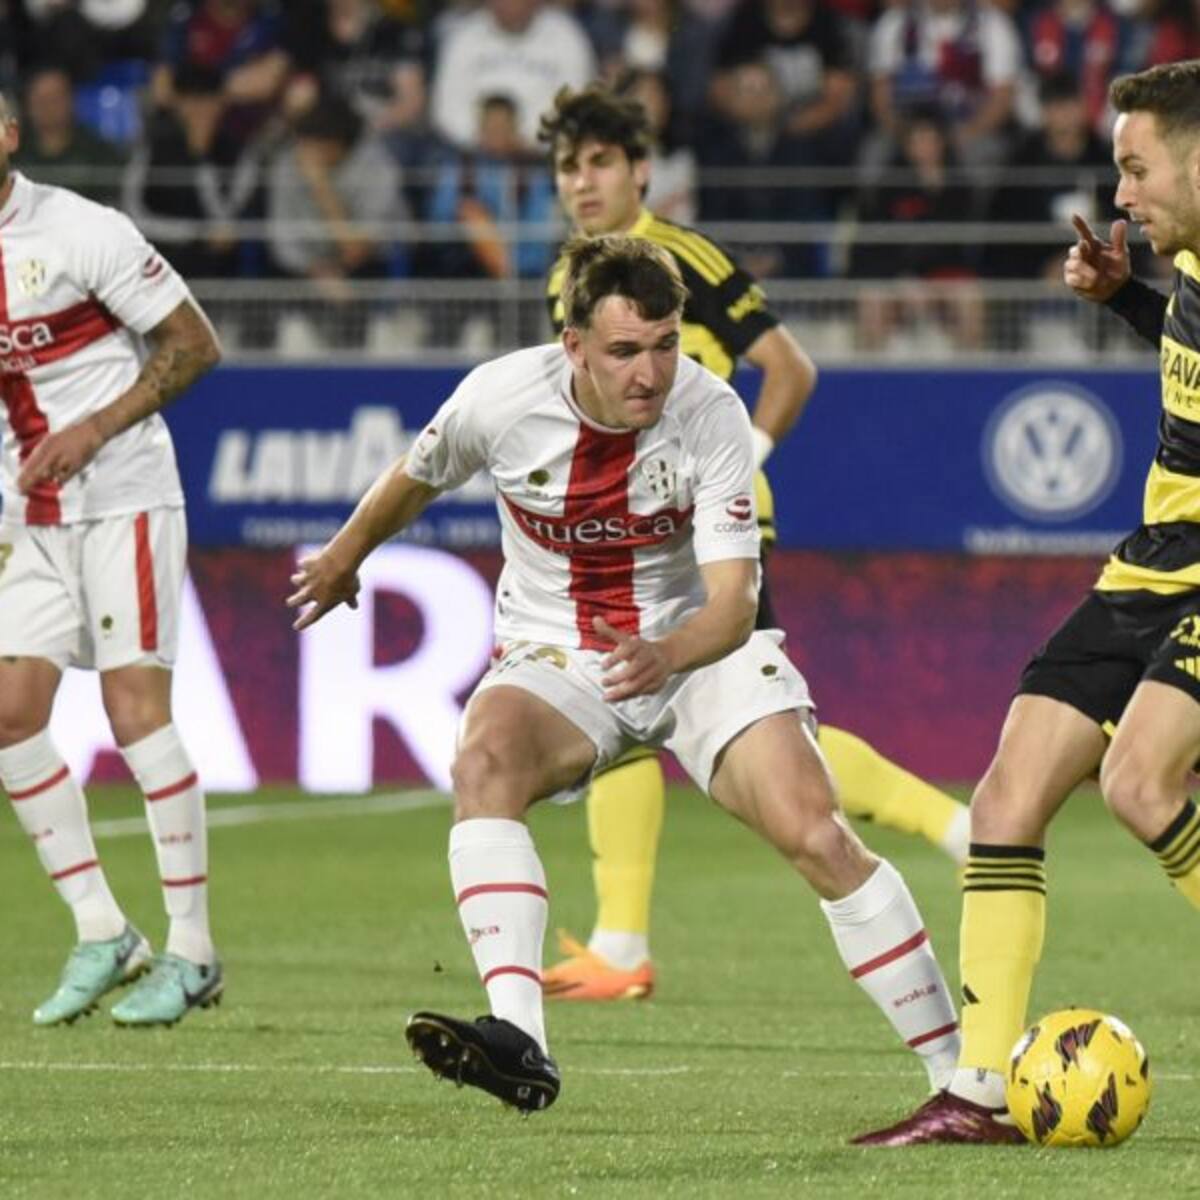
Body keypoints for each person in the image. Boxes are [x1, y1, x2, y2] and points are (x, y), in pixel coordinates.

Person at [288, 234, 963, 1113]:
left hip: (698, 648)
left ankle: (958, 1081)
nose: (650, 373)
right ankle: (520, 1037)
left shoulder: (711, 412)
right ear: (573, 347)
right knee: (484, 761)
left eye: (665, 344)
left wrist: (664, 655)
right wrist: (344, 557)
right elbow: (416, 475)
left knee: (818, 833)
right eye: (624, 351)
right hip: (562, 649)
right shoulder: (500, 399)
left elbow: (733, 599)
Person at [537, 82, 969, 1002]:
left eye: (600, 162)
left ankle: (950, 827)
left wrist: (743, 458)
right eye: (568, 166)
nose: (582, 182)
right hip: (627, 528)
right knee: (637, 705)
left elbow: (789, 365)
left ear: (640, 169)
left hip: (711, 531)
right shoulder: (567, 281)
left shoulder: (682, 256)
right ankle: (621, 942)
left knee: (742, 725)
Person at [854, 59, 1200, 1146]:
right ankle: (978, 1092)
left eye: (1137, 169)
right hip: (1152, 562)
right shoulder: (1188, 262)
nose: (1123, 195)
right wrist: (1127, 298)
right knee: (1005, 801)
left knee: (1143, 784)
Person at [0, 89, 224, 1027]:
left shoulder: (81, 229)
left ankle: (193, 949)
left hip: (122, 492)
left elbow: (193, 344)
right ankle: (103, 929)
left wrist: (91, 427)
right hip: (28, 508)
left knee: (135, 713)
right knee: (10, 713)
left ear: (7, 135)